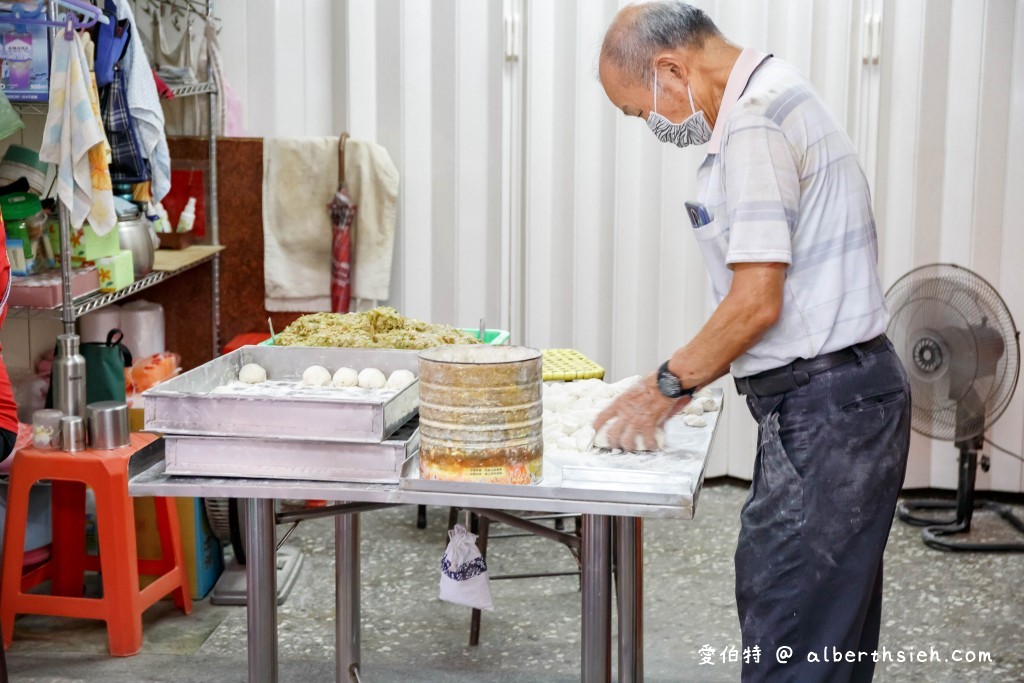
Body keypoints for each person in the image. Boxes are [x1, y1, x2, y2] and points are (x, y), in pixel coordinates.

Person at [594, 3, 911, 682]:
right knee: (828, 635)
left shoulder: (754, 123)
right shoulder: (774, 96)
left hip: (828, 412)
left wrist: (665, 386)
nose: (652, 126)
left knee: (792, 636)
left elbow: (756, 300)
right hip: (846, 404)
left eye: (640, 109)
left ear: (671, 68)